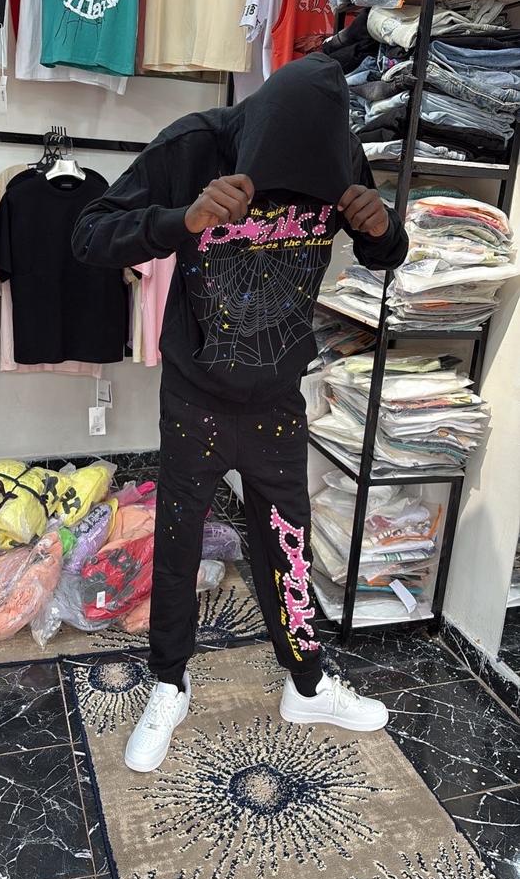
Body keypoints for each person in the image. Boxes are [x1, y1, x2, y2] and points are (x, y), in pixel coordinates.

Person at [73, 53, 408, 773]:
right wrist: (179, 220)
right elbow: (89, 234)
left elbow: (385, 251)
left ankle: (307, 684)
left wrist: (382, 231)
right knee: (179, 540)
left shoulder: (338, 150)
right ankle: (170, 683)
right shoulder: (195, 144)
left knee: (288, 541)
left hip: (276, 398)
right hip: (195, 396)